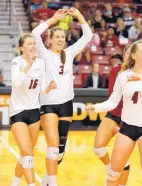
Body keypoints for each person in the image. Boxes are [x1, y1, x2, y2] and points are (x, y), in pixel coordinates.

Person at [86, 39, 142, 186]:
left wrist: (141, 77)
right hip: (127, 128)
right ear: (133, 55)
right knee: (113, 174)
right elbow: (113, 102)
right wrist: (96, 107)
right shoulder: (123, 76)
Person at [32, 8, 93, 186]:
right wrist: (53, 19)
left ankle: (46, 180)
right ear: (50, 40)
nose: (60, 39)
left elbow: (87, 36)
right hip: (49, 105)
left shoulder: (70, 53)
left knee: (59, 151)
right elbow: (35, 33)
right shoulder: (44, 53)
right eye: (56, 37)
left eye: (62, 37)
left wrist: (79, 16)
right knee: (52, 144)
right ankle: (53, 182)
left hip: (66, 104)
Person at [10, 33, 56, 186]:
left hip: (34, 112)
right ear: (21, 48)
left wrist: (48, 88)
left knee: (26, 154)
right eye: (28, 44)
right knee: (28, 155)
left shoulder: (41, 63)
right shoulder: (16, 62)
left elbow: (40, 89)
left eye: (33, 43)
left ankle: (14, 183)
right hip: (18, 113)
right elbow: (16, 83)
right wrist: (28, 64)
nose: (32, 46)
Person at [93, 45, 131, 186]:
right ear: (124, 55)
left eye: (131, 53)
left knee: (123, 156)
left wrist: (122, 126)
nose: (128, 55)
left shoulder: (140, 73)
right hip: (114, 112)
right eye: (126, 53)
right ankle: (110, 170)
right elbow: (111, 95)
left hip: (130, 118)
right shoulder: (115, 70)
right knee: (98, 148)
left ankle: (121, 183)